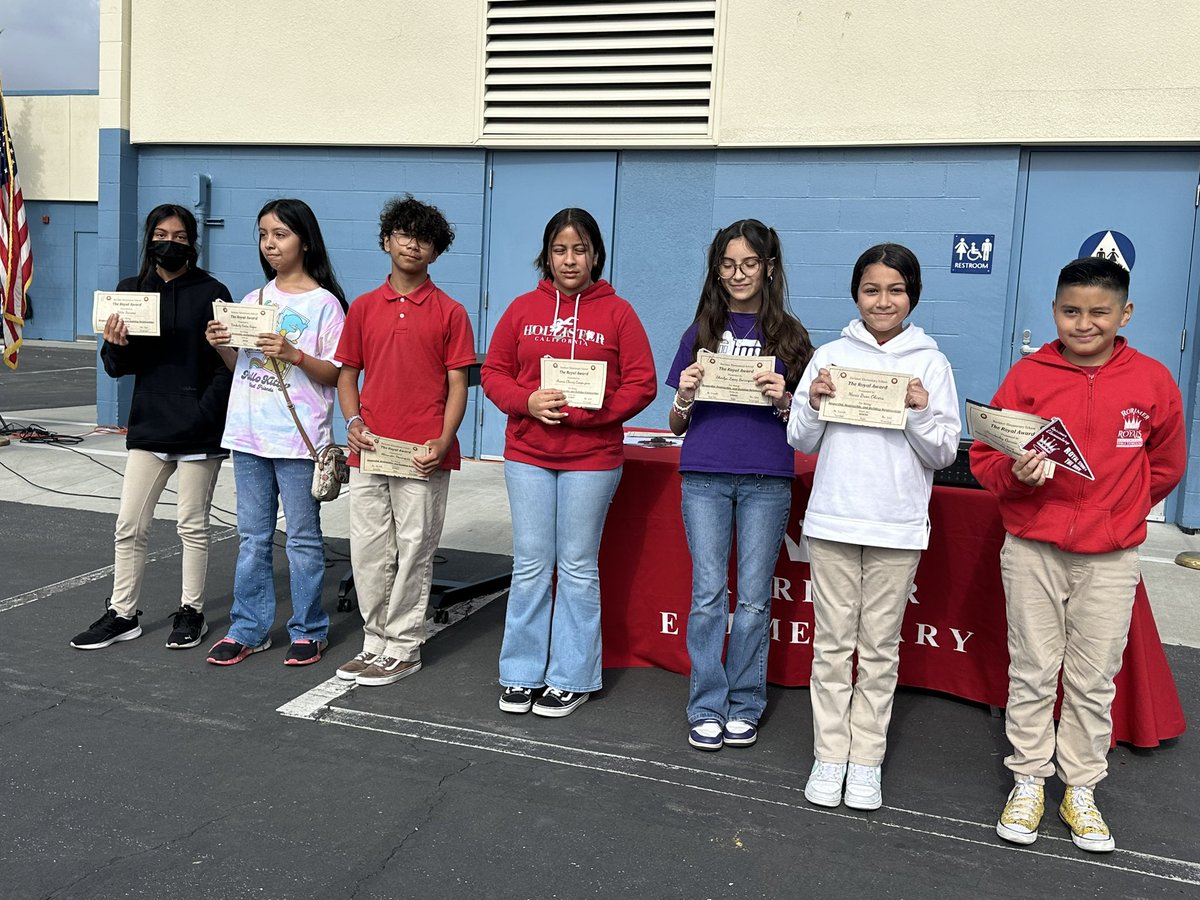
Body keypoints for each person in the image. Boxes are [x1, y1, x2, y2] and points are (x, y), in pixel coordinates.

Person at [970, 257, 1185, 852]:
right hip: (1033, 548)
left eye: (1098, 312)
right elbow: (989, 459)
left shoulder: (1153, 381)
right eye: (1070, 311)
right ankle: (1029, 780)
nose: (1083, 323)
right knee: (1034, 670)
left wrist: (1122, 512)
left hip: (1111, 556)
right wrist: (1020, 477)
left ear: (1125, 314)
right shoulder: (1027, 376)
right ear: (1054, 312)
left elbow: (1165, 465)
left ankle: (1081, 788)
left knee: (1093, 679)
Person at [788, 243, 960, 809]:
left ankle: (866, 760)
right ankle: (829, 754)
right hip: (834, 519)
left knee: (879, 647)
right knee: (833, 646)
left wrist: (917, 409)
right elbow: (800, 438)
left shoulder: (931, 362)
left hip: (897, 525)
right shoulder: (831, 354)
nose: (882, 301)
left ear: (912, 295)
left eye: (895, 290)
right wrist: (811, 402)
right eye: (871, 289)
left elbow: (941, 453)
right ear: (855, 294)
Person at [482, 208, 657, 718]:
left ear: (596, 254)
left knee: (577, 567)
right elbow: (493, 372)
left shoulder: (618, 313)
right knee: (532, 563)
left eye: (579, 249)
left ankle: (571, 676)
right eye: (560, 249)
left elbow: (641, 383)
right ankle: (520, 672)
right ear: (548, 255)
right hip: (529, 453)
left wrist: (593, 414)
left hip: (593, 457)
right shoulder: (521, 309)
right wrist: (526, 401)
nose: (570, 259)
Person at [665, 219, 813, 751]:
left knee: (753, 599)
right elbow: (676, 425)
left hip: (767, 478)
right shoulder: (700, 330)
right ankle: (706, 703)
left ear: (769, 268)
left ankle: (744, 702)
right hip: (704, 474)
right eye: (728, 265)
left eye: (749, 264)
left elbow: (809, 427)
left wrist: (785, 398)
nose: (738, 274)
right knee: (708, 595)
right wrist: (684, 393)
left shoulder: (791, 336)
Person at [71, 204, 233, 651]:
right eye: (162, 234)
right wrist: (115, 345)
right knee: (129, 524)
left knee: (191, 524)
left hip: (199, 429)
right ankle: (123, 614)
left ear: (193, 243)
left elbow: (227, 363)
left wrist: (204, 412)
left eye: (180, 237)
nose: (170, 242)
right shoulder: (129, 292)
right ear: (148, 239)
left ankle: (192, 612)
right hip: (149, 425)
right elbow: (117, 368)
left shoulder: (212, 291)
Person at [333, 195, 476, 687]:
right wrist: (352, 421)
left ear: (436, 251)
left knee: (414, 548)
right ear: (387, 241)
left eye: (425, 238)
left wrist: (443, 439)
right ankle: (374, 641)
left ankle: (405, 646)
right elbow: (348, 375)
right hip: (370, 448)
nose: (413, 244)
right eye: (404, 234)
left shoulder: (451, 312)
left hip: (422, 453)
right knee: (369, 549)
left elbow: (458, 385)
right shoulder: (365, 307)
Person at [204, 198, 347, 666]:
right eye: (264, 234)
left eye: (281, 234)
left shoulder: (325, 305)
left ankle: (309, 628)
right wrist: (223, 345)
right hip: (248, 435)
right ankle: (249, 628)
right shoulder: (254, 299)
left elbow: (337, 375)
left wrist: (294, 352)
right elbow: (241, 368)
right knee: (252, 538)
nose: (270, 243)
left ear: (305, 240)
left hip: (297, 439)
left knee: (303, 539)